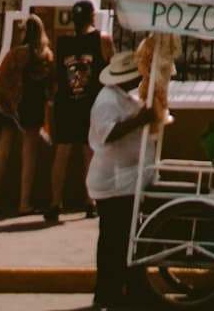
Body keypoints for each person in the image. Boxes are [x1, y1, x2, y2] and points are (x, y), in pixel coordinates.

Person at [86, 49, 153, 310]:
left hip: (124, 178)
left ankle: (129, 288)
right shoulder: (107, 101)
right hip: (111, 181)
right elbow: (108, 133)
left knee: (125, 237)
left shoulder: (122, 96)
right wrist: (139, 120)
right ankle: (107, 292)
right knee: (113, 239)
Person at [47, 0, 112, 222]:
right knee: (89, 153)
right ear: (93, 17)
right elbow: (112, 69)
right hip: (91, 104)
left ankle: (55, 203)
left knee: (62, 152)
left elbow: (56, 76)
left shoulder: (63, 42)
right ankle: (90, 201)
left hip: (66, 103)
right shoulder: (101, 39)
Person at [0, 15, 53, 217]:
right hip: (33, 107)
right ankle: (24, 203)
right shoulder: (46, 56)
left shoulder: (14, 54)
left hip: (12, 109)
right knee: (29, 156)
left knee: (2, 155)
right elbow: (50, 86)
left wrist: (8, 101)